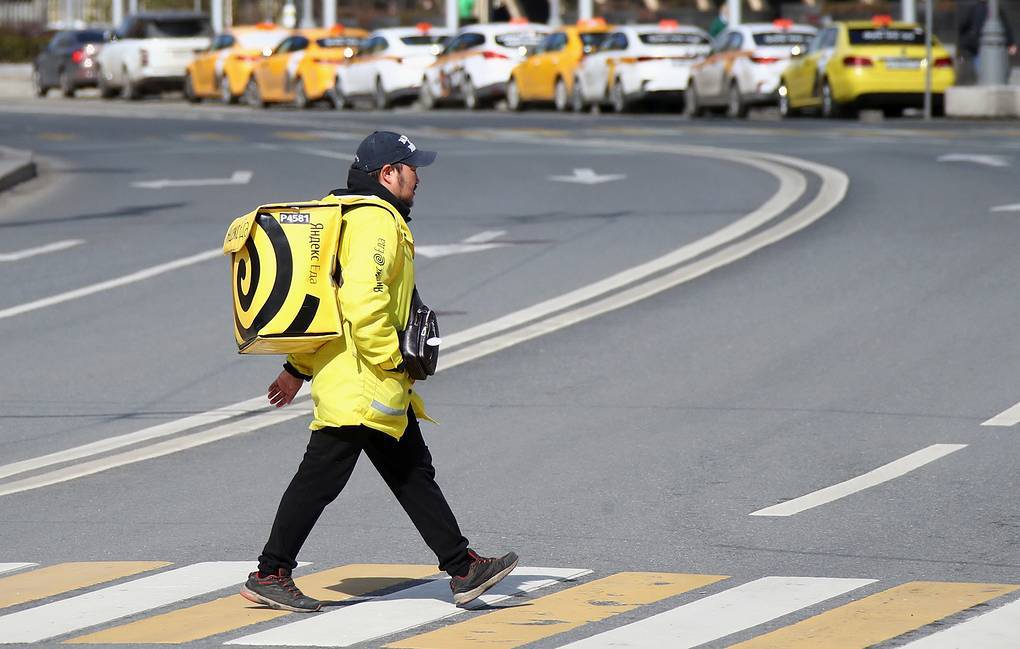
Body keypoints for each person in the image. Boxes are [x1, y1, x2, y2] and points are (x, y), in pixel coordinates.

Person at [240, 131, 519, 613]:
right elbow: (361, 304)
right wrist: (391, 358)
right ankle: (270, 571)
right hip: (363, 381)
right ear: (387, 174)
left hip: (357, 377)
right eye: (412, 170)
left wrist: (296, 368)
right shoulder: (375, 222)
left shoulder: (341, 217)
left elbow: (319, 303)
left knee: (411, 472)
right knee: (322, 478)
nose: (418, 180)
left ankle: (462, 566)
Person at [957, 0, 1017, 83]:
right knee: (981, 70)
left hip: (992, 46)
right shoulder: (974, 9)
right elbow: (963, 27)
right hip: (977, 47)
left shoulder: (995, 9)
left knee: (993, 69)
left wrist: (1011, 43)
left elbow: (1005, 26)